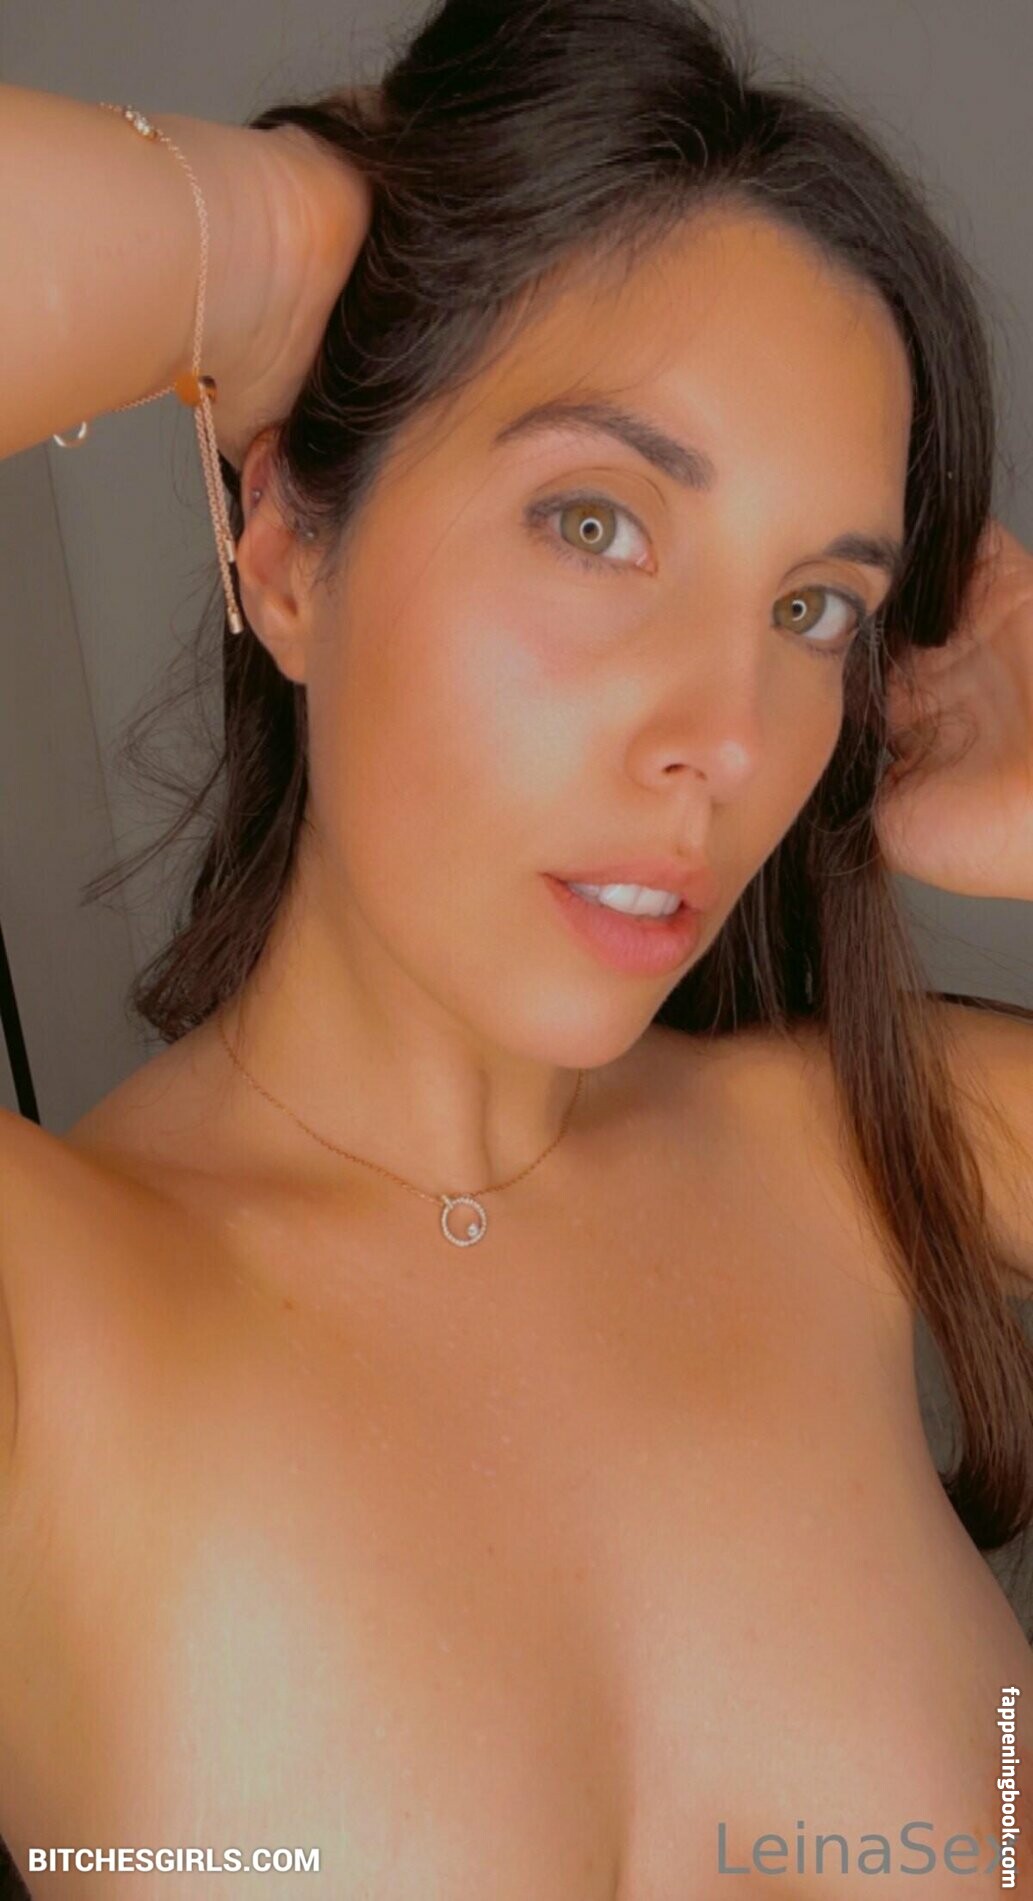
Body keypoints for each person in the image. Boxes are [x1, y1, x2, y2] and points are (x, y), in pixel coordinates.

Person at [1, 0, 1032, 1893]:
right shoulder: (50, 1313)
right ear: (286, 550)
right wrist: (265, 243)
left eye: (812, 607)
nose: (726, 737)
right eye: (595, 522)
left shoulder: (865, 1152)